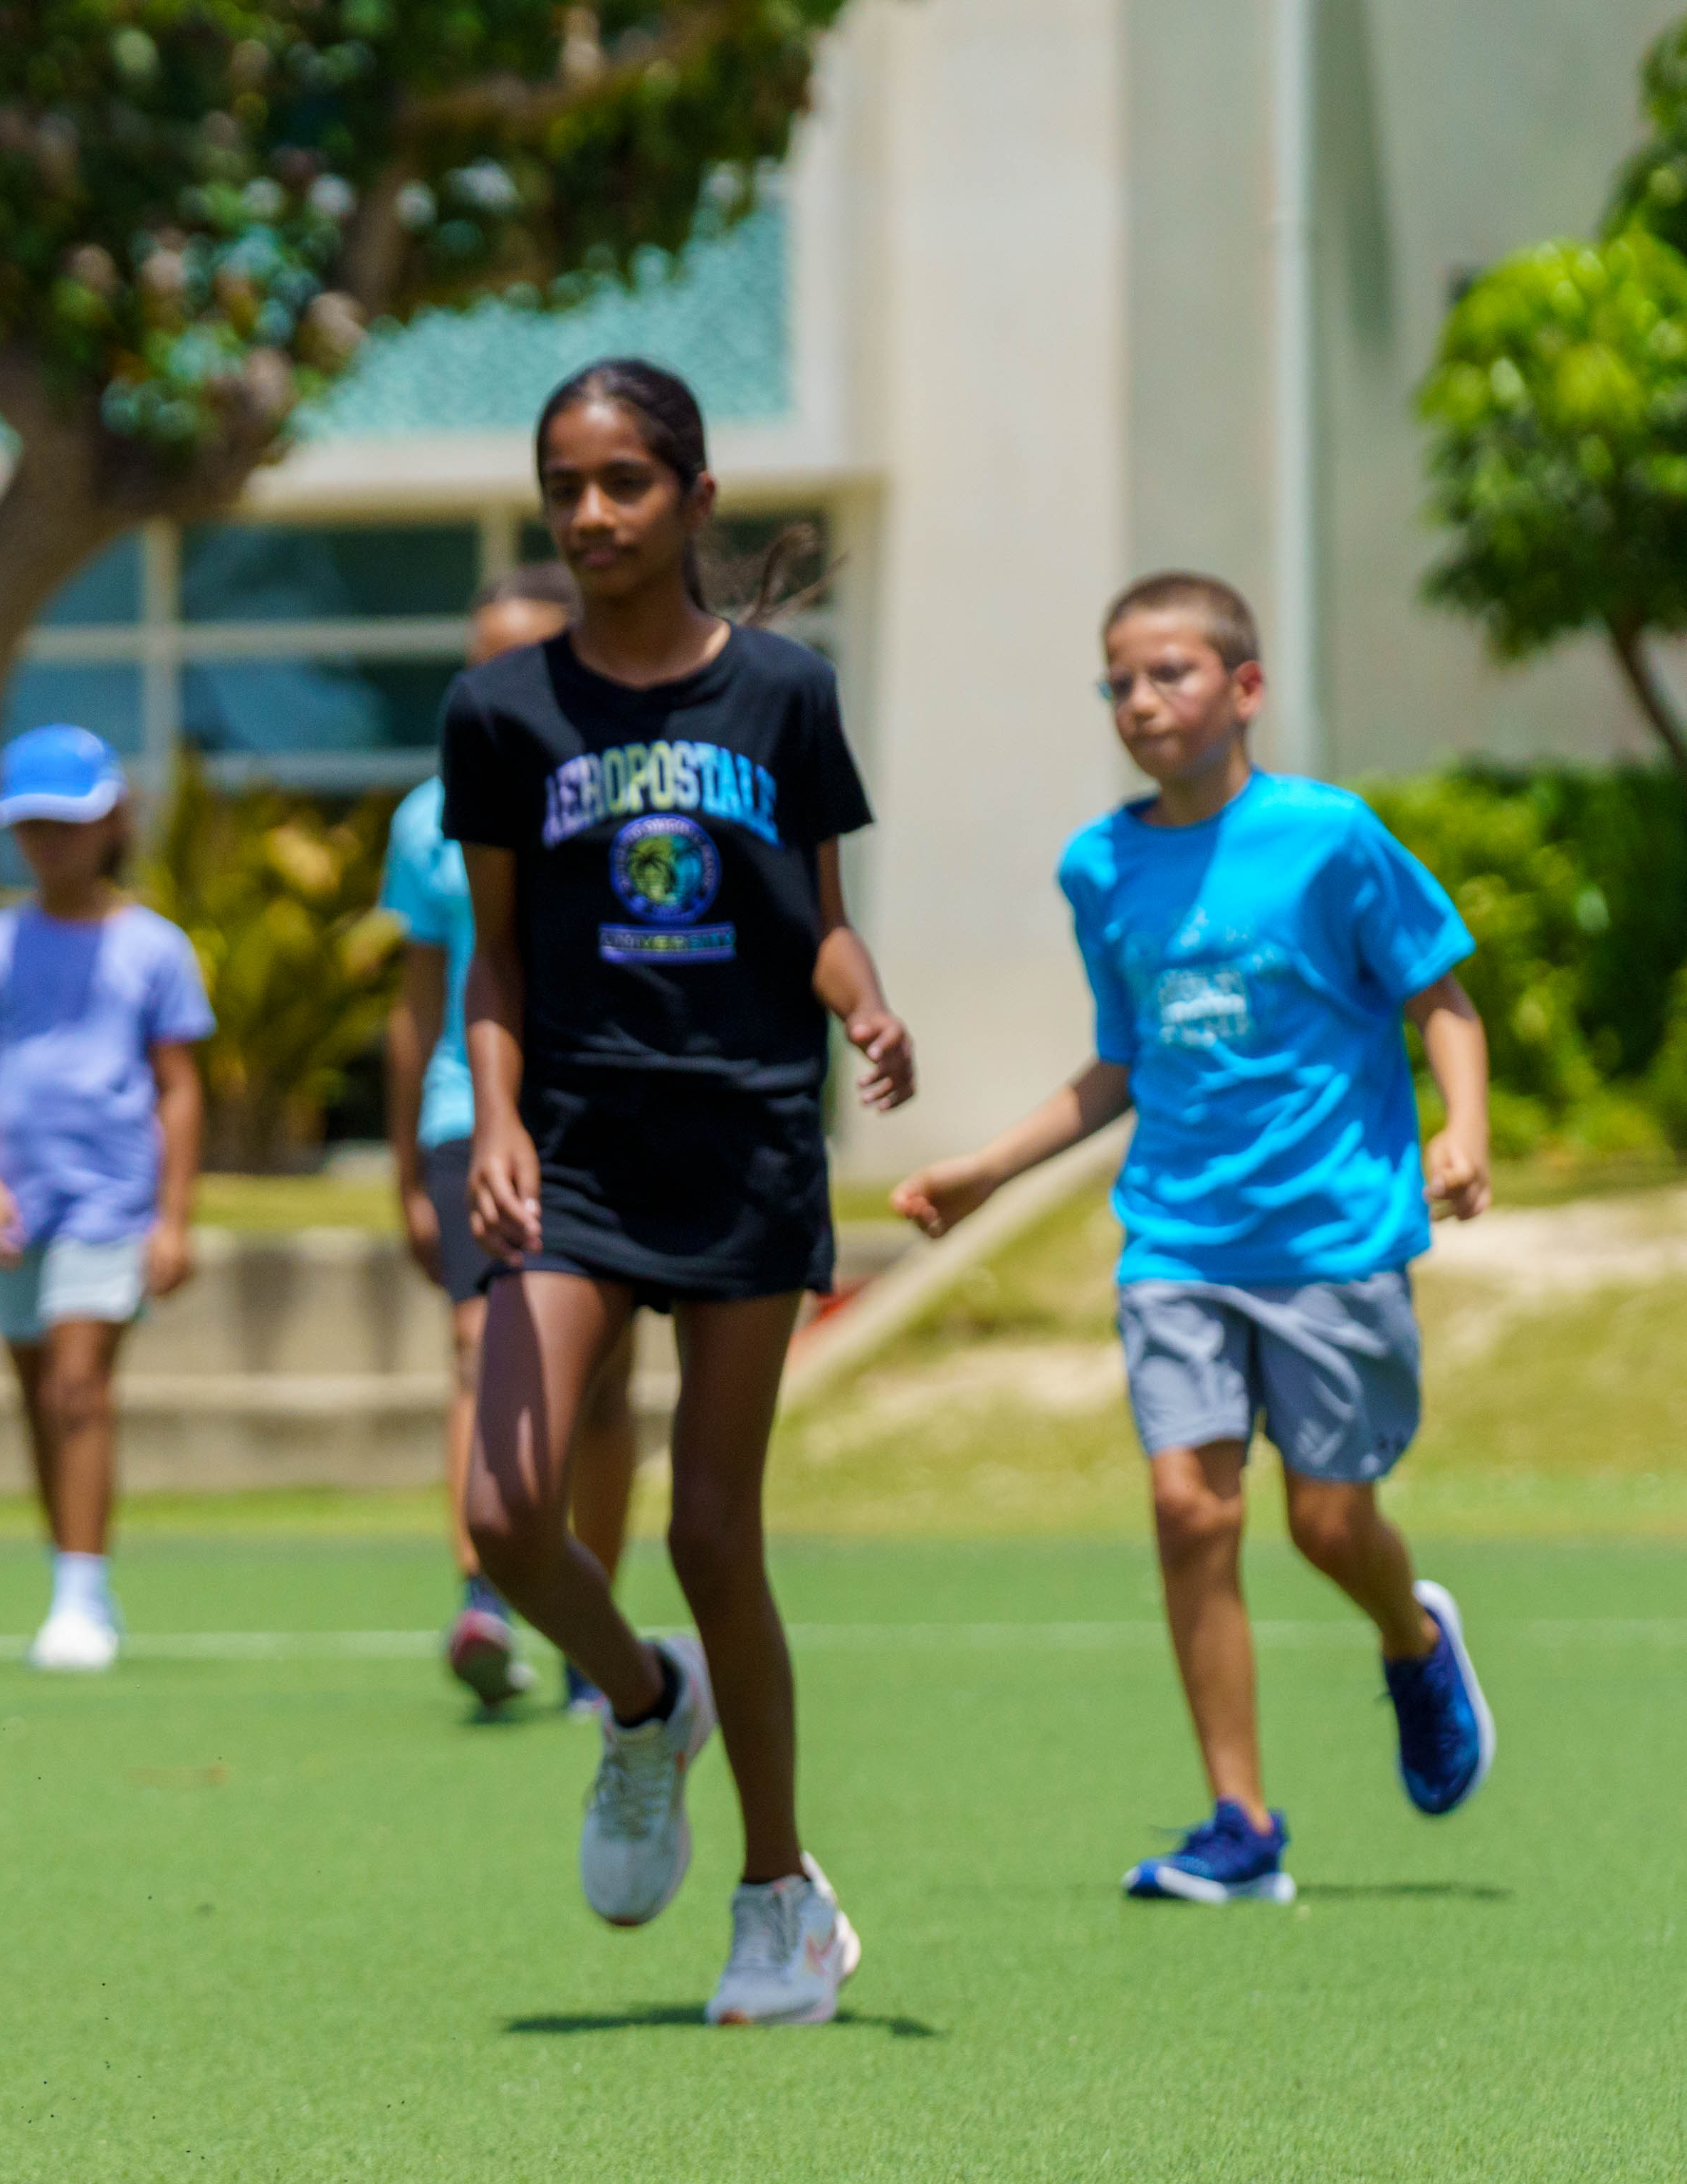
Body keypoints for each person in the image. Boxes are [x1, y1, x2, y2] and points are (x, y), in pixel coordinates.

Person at [892, 573, 1497, 1904]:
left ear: (1244, 689)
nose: (1140, 700)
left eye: (1169, 673)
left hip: (1333, 1238)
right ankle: (1240, 1825)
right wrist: (990, 1169)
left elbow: (1441, 1000)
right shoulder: (1097, 865)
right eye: (1118, 680)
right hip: (1172, 1238)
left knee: (1330, 1527)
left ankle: (1411, 1639)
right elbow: (1121, 1063)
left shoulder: (1330, 839)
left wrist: (1463, 1131)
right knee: (1185, 1509)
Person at [441, 356, 916, 2027]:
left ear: (695, 497)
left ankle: (783, 1896)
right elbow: (495, 958)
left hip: (747, 1147)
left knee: (715, 1530)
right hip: (573, 1153)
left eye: (625, 481)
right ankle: (646, 1702)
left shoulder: (782, 693)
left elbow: (819, 914)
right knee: (507, 1515)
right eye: (565, 483)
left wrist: (863, 999)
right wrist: (494, 1118)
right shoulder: (504, 713)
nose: (590, 514)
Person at [382, 566, 632, 1715]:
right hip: (460, 1111)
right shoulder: (424, 818)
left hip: (594, 1110)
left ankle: (592, 1621)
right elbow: (417, 997)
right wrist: (404, 1168)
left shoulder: (621, 797)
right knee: (480, 1346)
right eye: (479, 658)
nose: (498, 680)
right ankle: (482, 1592)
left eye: (523, 656)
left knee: (607, 1388)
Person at [0, 725, 211, 1673]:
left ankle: (81, 1597)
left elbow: (178, 1086)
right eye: (32, 826)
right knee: (38, 1397)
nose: (50, 842)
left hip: (112, 1203)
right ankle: (71, 1579)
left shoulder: (155, 949)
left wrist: (173, 1219)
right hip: (16, 1208)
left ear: (112, 822)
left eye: (68, 822)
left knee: (78, 1385)